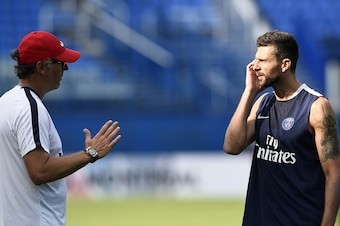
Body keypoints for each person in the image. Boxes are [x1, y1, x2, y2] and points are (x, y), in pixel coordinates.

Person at [0, 31, 122, 226]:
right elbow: (40, 171)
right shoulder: (30, 108)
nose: (66, 67)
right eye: (59, 62)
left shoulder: (6, 102)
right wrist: (90, 153)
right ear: (42, 67)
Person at [223, 30, 340, 226]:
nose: (254, 67)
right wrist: (249, 92)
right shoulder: (262, 103)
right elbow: (232, 146)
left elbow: (334, 174)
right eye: (255, 59)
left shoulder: (317, 107)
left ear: (284, 64)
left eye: (263, 61)